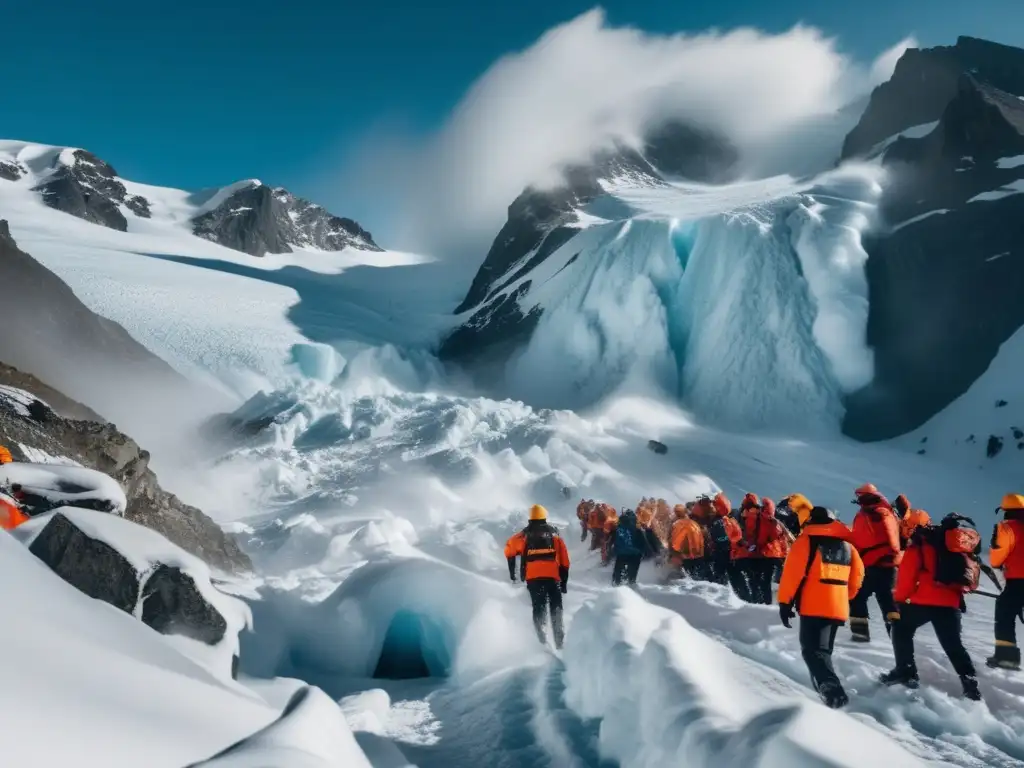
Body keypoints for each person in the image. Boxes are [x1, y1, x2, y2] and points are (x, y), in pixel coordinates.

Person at [880, 514, 982, 701]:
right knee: (953, 645)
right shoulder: (953, 546)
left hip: (923, 601)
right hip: (951, 602)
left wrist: (900, 601)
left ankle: (906, 671)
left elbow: (907, 576)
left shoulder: (920, 544)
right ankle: (971, 685)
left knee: (901, 629)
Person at [778, 505, 864, 709]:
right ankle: (826, 694)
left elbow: (792, 575)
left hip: (813, 606)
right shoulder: (848, 547)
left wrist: (785, 603)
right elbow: (858, 577)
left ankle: (833, 692)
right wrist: (843, 596)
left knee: (812, 652)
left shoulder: (805, 542)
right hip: (838, 607)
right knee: (823, 652)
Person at [504, 504, 571, 649]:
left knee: (538, 607)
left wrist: (513, 574)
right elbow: (565, 560)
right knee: (556, 607)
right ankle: (559, 641)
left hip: (533, 578)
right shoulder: (554, 535)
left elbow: (509, 550)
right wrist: (564, 582)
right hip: (553, 578)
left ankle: (542, 640)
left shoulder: (523, 535)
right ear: (544, 516)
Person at [849, 483, 901, 642]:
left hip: (871, 565)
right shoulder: (889, 512)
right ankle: (898, 637)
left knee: (857, 598)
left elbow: (860, 539)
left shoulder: (869, 513)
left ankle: (860, 635)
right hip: (891, 565)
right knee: (888, 601)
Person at [988, 493, 1024, 671]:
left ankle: (1006, 659)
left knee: (1004, 614)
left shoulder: (1007, 528)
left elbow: (997, 557)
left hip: (1018, 581)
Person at [747, 498, 787, 605]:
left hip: (765, 555)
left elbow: (760, 538)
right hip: (776, 556)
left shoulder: (760, 519)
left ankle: (762, 603)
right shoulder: (776, 522)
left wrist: (755, 546)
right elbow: (782, 540)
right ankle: (768, 604)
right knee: (767, 581)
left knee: (761, 581)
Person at [612, 508, 649, 586]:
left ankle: (617, 583)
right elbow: (643, 542)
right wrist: (643, 552)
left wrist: (614, 551)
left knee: (618, 571)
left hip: (621, 553)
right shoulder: (638, 529)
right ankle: (631, 582)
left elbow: (613, 541)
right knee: (632, 573)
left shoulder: (617, 528)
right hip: (635, 554)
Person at [668, 504, 706, 579]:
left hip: (685, 558)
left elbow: (675, 544)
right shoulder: (695, 524)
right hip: (699, 557)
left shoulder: (678, 524)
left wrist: (672, 555)